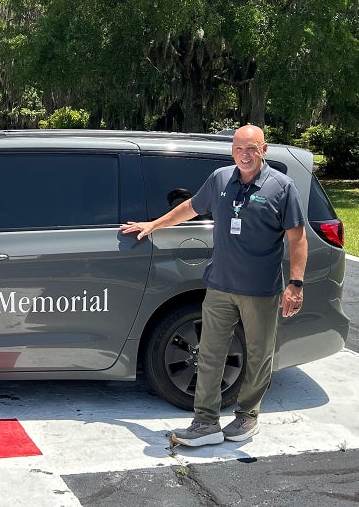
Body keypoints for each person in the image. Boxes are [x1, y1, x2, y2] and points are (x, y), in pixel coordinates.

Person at [120, 124, 307, 447]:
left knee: (259, 355)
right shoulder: (221, 179)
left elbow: (297, 237)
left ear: (264, 150)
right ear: (231, 150)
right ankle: (205, 422)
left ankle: (247, 417)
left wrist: (296, 284)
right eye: (238, 149)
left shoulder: (282, 186)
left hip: (260, 290)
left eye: (251, 149)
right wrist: (154, 224)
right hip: (219, 285)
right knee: (209, 353)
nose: (244, 155)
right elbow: (190, 208)